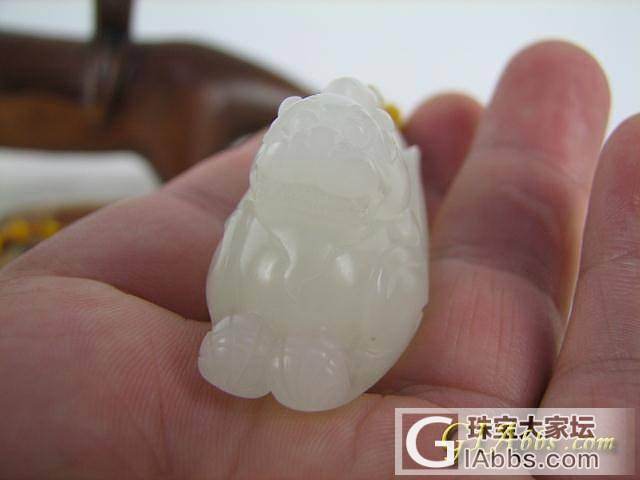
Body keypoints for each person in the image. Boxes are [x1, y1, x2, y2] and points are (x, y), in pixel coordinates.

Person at [0, 40, 638, 478]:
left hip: (333, 348)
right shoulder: (257, 215)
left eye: (344, 146)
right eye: (305, 138)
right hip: (249, 327)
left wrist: (593, 446)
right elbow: (232, 271)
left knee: (588, 442)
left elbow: (394, 298)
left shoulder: (383, 234)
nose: (320, 157)